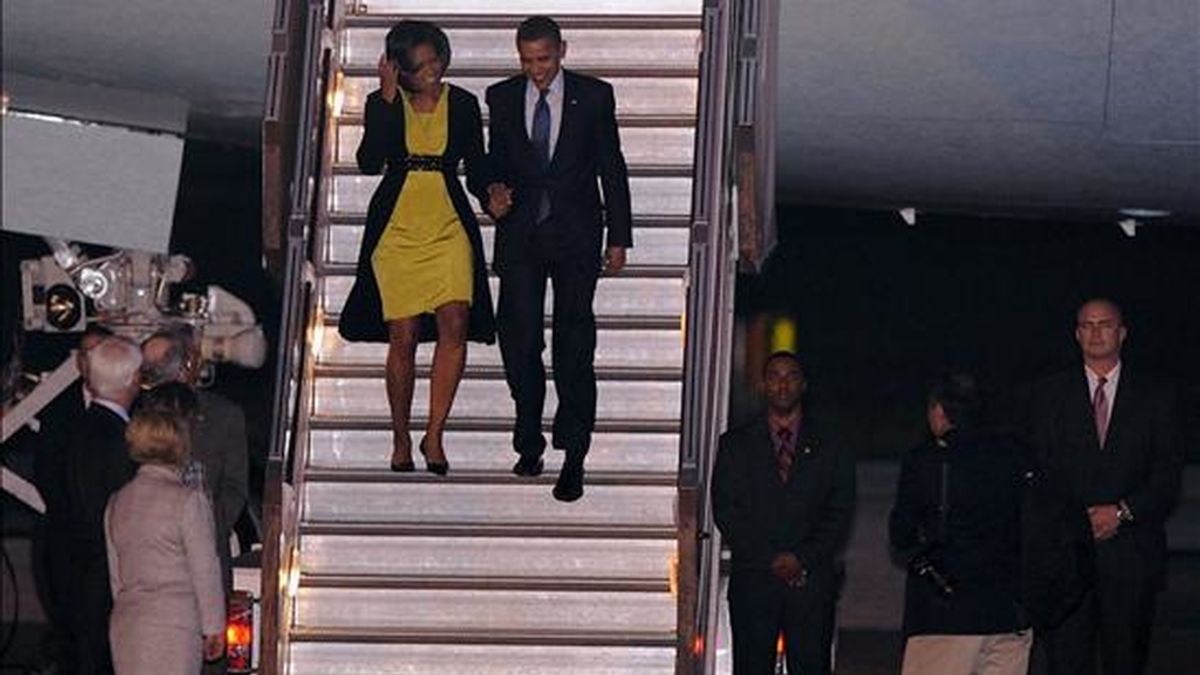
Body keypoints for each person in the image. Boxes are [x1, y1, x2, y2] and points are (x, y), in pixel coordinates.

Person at [337, 19, 496, 476]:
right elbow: (369, 164)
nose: (432, 71)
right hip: (399, 225)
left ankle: (435, 433)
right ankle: (401, 435)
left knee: (456, 321)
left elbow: (477, 166)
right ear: (399, 69)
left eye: (436, 60)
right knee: (402, 334)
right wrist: (387, 101)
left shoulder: (463, 103)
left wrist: (492, 196)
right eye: (420, 66)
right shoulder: (383, 101)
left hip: (448, 220)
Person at [485, 15, 633, 501]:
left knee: (574, 344)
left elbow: (611, 164)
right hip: (522, 234)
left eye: (544, 59)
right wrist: (492, 192)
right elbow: (495, 163)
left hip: (575, 233)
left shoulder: (593, 96)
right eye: (527, 60)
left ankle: (574, 450)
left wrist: (619, 235)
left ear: (562, 50)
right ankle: (529, 436)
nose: (536, 70)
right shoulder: (503, 96)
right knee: (520, 340)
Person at [1029, 298, 1184, 675]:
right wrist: (1076, 521)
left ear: (1123, 332)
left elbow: (1167, 474)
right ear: (1077, 334)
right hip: (1066, 557)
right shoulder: (1049, 394)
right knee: (1065, 663)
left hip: (1131, 556)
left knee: (1126, 661)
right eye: (1088, 325)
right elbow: (1038, 471)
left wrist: (1122, 512)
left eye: (1105, 324)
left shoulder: (1157, 396)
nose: (1096, 332)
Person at [712, 352, 856, 675]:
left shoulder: (832, 444)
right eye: (775, 376)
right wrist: (772, 558)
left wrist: (801, 558)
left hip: (810, 584)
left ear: (803, 384)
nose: (783, 383)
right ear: (763, 384)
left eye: (791, 375)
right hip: (755, 582)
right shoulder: (735, 445)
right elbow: (726, 510)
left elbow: (840, 510)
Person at [889, 372, 1032, 675]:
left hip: (944, 614)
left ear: (939, 411)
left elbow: (901, 535)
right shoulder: (1015, 456)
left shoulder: (926, 461)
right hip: (1009, 613)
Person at [105, 404, 225, 675]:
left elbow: (117, 575)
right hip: (174, 624)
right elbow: (204, 568)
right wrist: (214, 626)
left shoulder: (117, 501)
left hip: (128, 622)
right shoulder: (188, 501)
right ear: (179, 445)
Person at [141, 325, 248, 591]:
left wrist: (205, 527)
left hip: (206, 553)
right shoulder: (137, 414)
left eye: (163, 366)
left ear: (188, 365)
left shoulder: (223, 416)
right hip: (148, 554)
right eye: (150, 368)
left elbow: (235, 486)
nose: (156, 375)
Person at [62, 335, 142, 674]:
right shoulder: (118, 441)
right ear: (131, 380)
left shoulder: (78, 426)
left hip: (79, 566)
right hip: (107, 575)